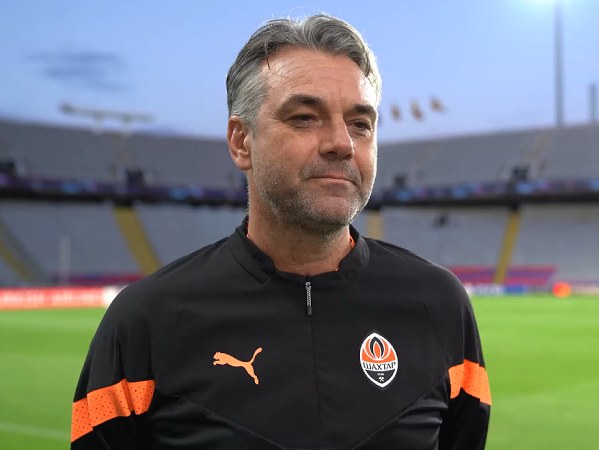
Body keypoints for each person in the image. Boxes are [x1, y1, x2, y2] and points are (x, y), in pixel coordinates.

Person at [71, 14, 491, 450]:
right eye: (305, 117)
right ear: (241, 141)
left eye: (361, 124)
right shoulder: (144, 322)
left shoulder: (440, 305)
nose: (342, 143)